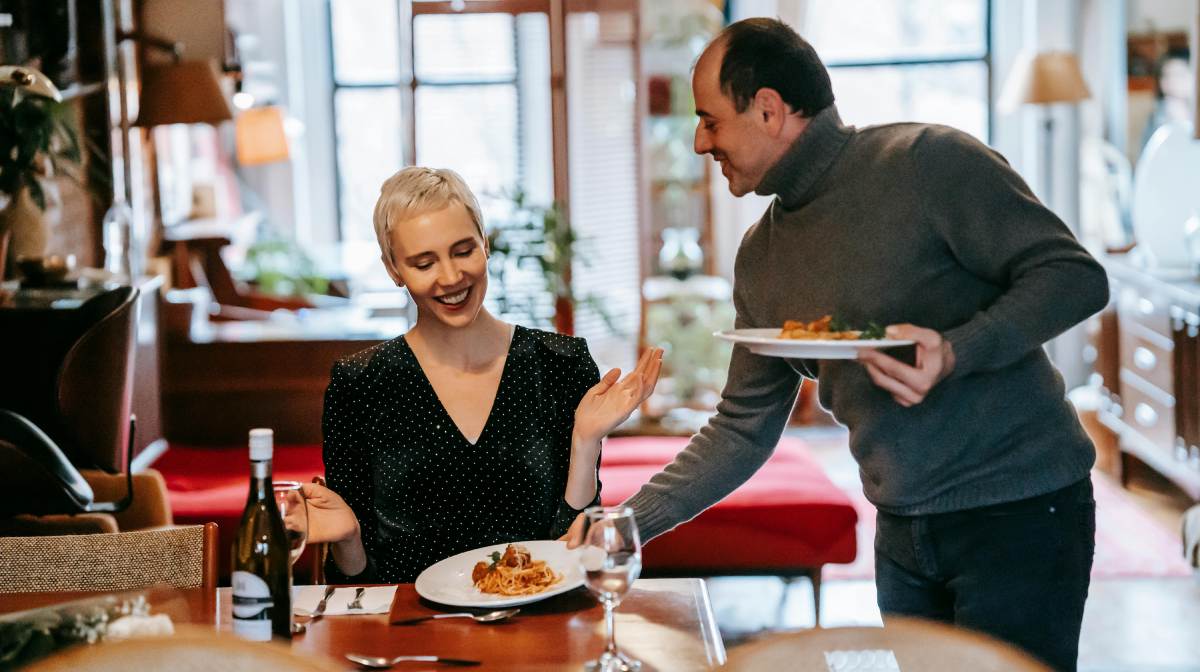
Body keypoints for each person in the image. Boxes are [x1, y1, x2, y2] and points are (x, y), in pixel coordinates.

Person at [568, 18, 1108, 672]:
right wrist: (622, 525)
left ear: (768, 110)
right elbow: (740, 428)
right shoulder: (761, 257)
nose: (698, 141)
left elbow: (1074, 277)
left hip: (1020, 514)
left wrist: (956, 350)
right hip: (902, 532)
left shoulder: (928, 162)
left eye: (709, 120)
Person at [301, 166, 662, 583]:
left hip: (533, 615)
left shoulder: (560, 364)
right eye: (424, 263)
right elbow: (357, 583)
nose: (451, 277)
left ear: (485, 243)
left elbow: (573, 552)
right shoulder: (360, 384)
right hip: (411, 621)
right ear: (393, 269)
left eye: (463, 251)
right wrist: (347, 539)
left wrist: (586, 441)